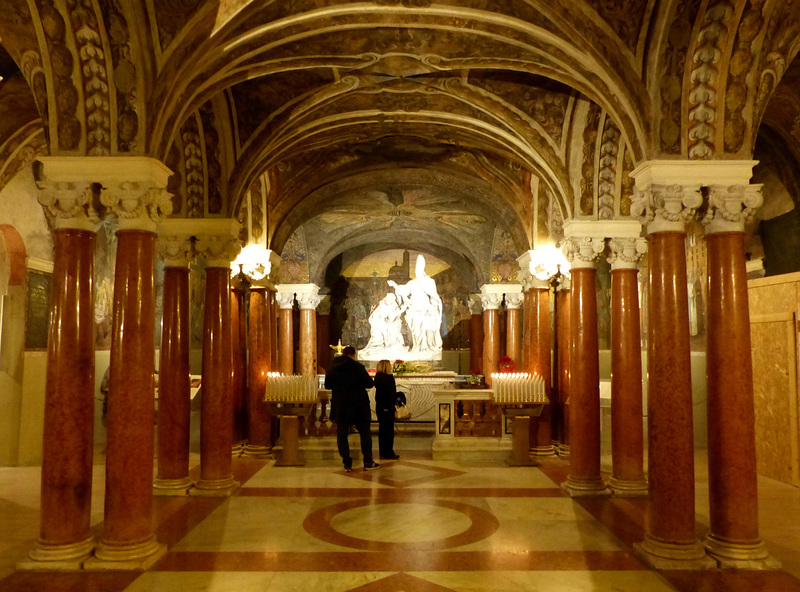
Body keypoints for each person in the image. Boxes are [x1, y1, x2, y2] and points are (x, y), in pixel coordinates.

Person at [324, 346, 380, 472]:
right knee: (365, 433)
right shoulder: (357, 367)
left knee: (342, 435)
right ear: (353, 355)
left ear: (343, 354)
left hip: (341, 405)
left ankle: (347, 463)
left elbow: (327, 385)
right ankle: (367, 461)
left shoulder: (332, 368)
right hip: (358, 405)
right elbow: (370, 384)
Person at [388, 254, 443, 354]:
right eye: (416, 268)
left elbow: (434, 297)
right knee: (416, 331)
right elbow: (403, 291)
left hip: (425, 309)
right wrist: (395, 285)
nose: (416, 270)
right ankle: (417, 347)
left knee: (427, 330)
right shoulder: (413, 282)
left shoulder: (429, 281)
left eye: (418, 267)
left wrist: (433, 307)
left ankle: (425, 348)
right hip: (414, 310)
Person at [360, 293, 406, 358]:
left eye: (393, 300)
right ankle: (375, 352)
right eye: (390, 299)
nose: (392, 302)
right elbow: (391, 314)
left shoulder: (388, 306)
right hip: (377, 324)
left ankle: (386, 348)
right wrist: (403, 309)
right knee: (377, 339)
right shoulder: (383, 306)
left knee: (391, 332)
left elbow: (391, 317)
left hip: (383, 324)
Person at [374, 359, 400, 460]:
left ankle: (383, 452)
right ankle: (389, 452)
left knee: (382, 430)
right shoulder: (388, 378)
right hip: (387, 407)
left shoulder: (378, 377)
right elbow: (389, 393)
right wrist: (388, 406)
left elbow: (379, 394)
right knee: (388, 431)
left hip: (380, 406)